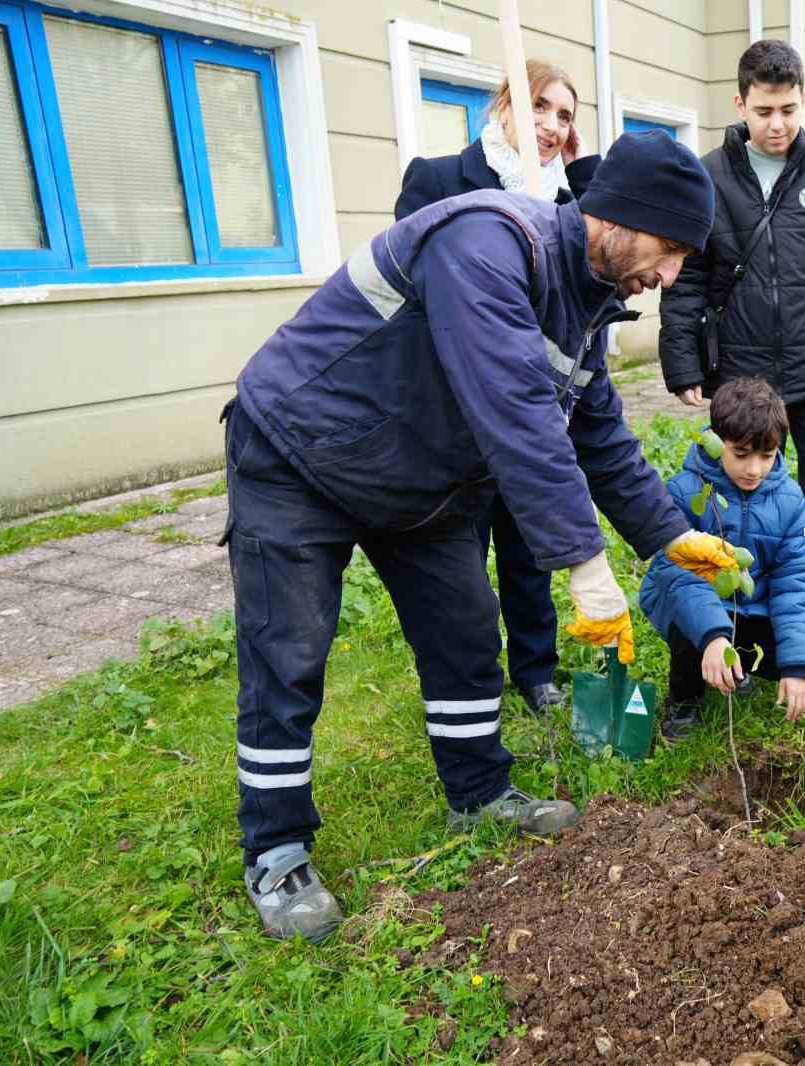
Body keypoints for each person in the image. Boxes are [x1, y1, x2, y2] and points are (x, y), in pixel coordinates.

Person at [223, 131, 737, 942]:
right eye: (670, 251)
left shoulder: (587, 303)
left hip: (419, 478)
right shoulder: (487, 241)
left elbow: (596, 438)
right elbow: (519, 418)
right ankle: (278, 847)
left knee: (466, 631)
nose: (669, 277)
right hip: (302, 450)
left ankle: (477, 794)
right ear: (621, 217)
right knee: (288, 650)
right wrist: (584, 565)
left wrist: (669, 538)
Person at [393, 60, 596, 716]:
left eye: (564, 116)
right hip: (459, 404)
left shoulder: (564, 200)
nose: (551, 125)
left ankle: (536, 669)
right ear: (504, 103)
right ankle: (466, 676)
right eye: (540, 106)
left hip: (533, 401)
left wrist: (579, 172)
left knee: (528, 544)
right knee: (462, 553)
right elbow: (415, 283)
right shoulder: (439, 178)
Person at [658, 39, 805, 618]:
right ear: (740, 104)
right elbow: (687, 275)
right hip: (743, 371)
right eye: (763, 111)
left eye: (788, 109)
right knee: (737, 485)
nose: (777, 124)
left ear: (803, 100)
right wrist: (682, 360)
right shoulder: (707, 176)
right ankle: (737, 592)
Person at [639, 377, 805, 740]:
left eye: (766, 456)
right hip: (693, 601)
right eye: (741, 454)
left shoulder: (788, 500)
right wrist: (712, 637)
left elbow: (794, 584)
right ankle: (684, 699)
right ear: (715, 441)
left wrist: (797, 666)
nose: (754, 469)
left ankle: (737, 666)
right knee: (690, 623)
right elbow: (678, 576)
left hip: (750, 607)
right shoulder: (685, 492)